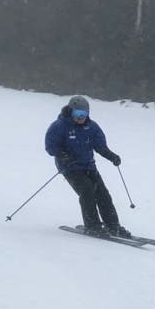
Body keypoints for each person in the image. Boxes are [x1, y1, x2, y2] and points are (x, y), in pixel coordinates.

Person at [45, 95, 131, 238]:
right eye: (78, 114)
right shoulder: (59, 126)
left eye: (84, 114)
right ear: (71, 112)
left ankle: (113, 226)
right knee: (87, 190)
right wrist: (64, 156)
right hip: (70, 167)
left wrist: (111, 156)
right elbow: (51, 146)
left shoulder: (91, 127)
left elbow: (100, 146)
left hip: (88, 166)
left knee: (103, 194)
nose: (81, 117)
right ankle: (93, 226)